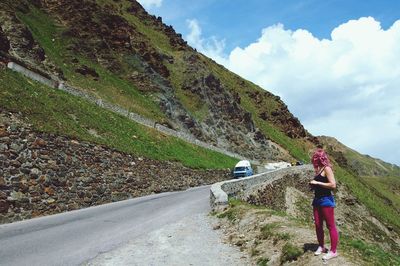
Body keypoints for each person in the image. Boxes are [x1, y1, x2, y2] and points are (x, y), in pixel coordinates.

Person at [309, 147, 339, 261]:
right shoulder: (318, 169)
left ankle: (333, 251)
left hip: (326, 200)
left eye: (314, 158)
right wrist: (314, 185)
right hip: (317, 200)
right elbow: (322, 184)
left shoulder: (327, 169)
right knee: (318, 225)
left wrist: (317, 182)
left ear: (319, 158)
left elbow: (333, 185)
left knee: (330, 226)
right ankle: (321, 246)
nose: (313, 160)